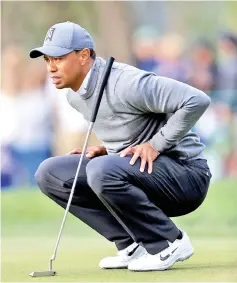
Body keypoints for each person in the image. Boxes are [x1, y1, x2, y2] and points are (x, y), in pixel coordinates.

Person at [29, 21, 212, 272]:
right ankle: (133, 244)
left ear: (84, 56)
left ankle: (168, 242)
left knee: (101, 171)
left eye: (58, 58)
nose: (51, 68)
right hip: (144, 172)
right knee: (51, 173)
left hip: (186, 176)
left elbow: (196, 100)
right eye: (47, 60)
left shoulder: (126, 83)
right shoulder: (74, 94)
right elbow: (128, 125)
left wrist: (155, 145)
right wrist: (107, 150)